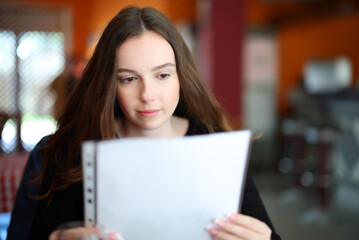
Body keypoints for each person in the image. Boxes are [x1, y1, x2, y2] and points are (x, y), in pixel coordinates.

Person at [7, 6, 281, 240]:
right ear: (109, 85)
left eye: (162, 75)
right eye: (128, 79)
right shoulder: (63, 154)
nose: (147, 95)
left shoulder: (216, 147)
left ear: (181, 78)